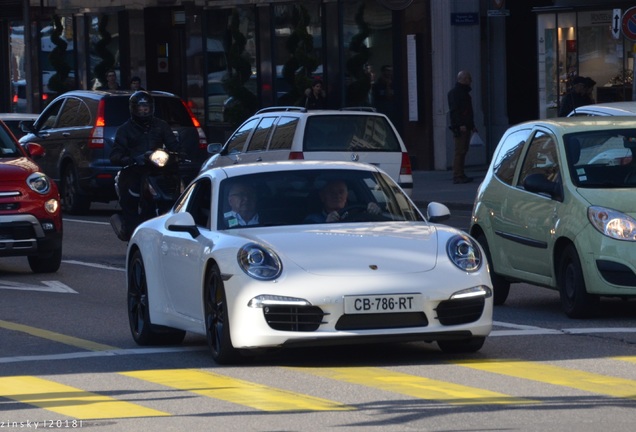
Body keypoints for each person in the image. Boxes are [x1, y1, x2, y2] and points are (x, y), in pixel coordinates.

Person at [109, 91, 181, 240]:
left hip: (159, 170)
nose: (143, 111)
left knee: (178, 189)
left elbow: (174, 145)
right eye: (140, 108)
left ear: (151, 108)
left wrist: (179, 154)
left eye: (146, 108)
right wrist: (132, 159)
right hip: (135, 170)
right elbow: (115, 155)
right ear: (133, 109)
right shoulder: (125, 129)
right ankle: (130, 230)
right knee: (130, 197)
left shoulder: (161, 126)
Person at [304, 179, 380, 223]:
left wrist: (375, 212)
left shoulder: (358, 214)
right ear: (323, 196)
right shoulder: (312, 220)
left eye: (341, 192)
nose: (337, 195)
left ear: (347, 195)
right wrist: (326, 225)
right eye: (332, 192)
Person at [447, 70, 476, 184]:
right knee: (460, 151)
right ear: (463, 79)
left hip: (465, 126)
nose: (470, 81)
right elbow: (455, 111)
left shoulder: (463, 93)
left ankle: (461, 173)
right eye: (468, 78)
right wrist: (460, 125)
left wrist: (472, 125)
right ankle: (457, 175)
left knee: (463, 151)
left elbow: (468, 112)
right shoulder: (456, 93)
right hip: (461, 127)